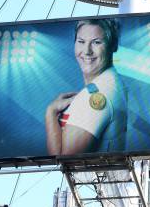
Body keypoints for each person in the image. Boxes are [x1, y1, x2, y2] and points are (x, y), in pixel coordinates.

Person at [45, 19, 127, 156]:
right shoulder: (112, 81)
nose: (87, 51)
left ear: (113, 46)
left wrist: (50, 113)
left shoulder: (94, 97)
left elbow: (63, 159)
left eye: (96, 42)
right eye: (81, 42)